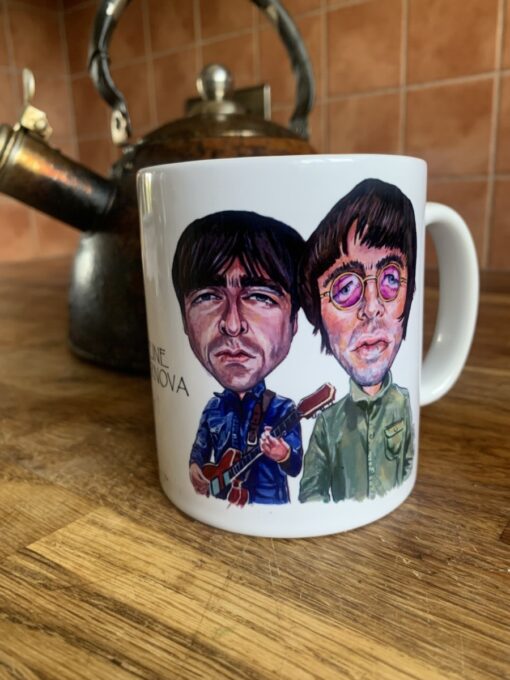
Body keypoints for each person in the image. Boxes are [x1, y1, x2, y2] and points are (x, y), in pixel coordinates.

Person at [172, 210, 304, 505]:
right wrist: (195, 468)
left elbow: (295, 465)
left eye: (260, 297)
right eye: (207, 296)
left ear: (294, 321)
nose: (232, 324)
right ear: (183, 318)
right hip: (217, 503)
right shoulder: (213, 409)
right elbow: (199, 450)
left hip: (273, 509)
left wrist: (281, 453)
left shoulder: (283, 410)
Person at [298, 178, 417, 503]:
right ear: (316, 312)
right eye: (345, 288)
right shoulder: (326, 424)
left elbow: (408, 459)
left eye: (391, 277)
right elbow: (311, 492)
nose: (373, 306)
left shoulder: (404, 404)